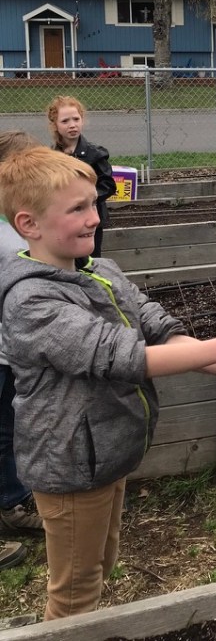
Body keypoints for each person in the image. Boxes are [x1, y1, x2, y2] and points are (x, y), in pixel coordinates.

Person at [0, 147, 216, 619]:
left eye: (93, 203)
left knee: (100, 563)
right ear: (29, 224)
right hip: (69, 466)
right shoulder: (31, 302)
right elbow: (122, 356)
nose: (94, 218)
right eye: (77, 209)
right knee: (75, 592)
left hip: (106, 453)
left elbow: (157, 329)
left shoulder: (101, 271)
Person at [0, 131, 45, 571]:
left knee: (10, 427)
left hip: (11, 350)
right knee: (4, 430)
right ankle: (10, 503)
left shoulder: (12, 222)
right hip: (4, 350)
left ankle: (13, 495)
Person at [46, 95, 116, 258]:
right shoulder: (51, 156)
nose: (72, 125)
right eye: (65, 121)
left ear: (82, 120)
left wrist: (84, 200)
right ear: (55, 125)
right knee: (65, 258)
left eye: (76, 119)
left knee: (90, 260)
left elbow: (108, 185)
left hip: (90, 218)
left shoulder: (95, 154)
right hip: (63, 219)